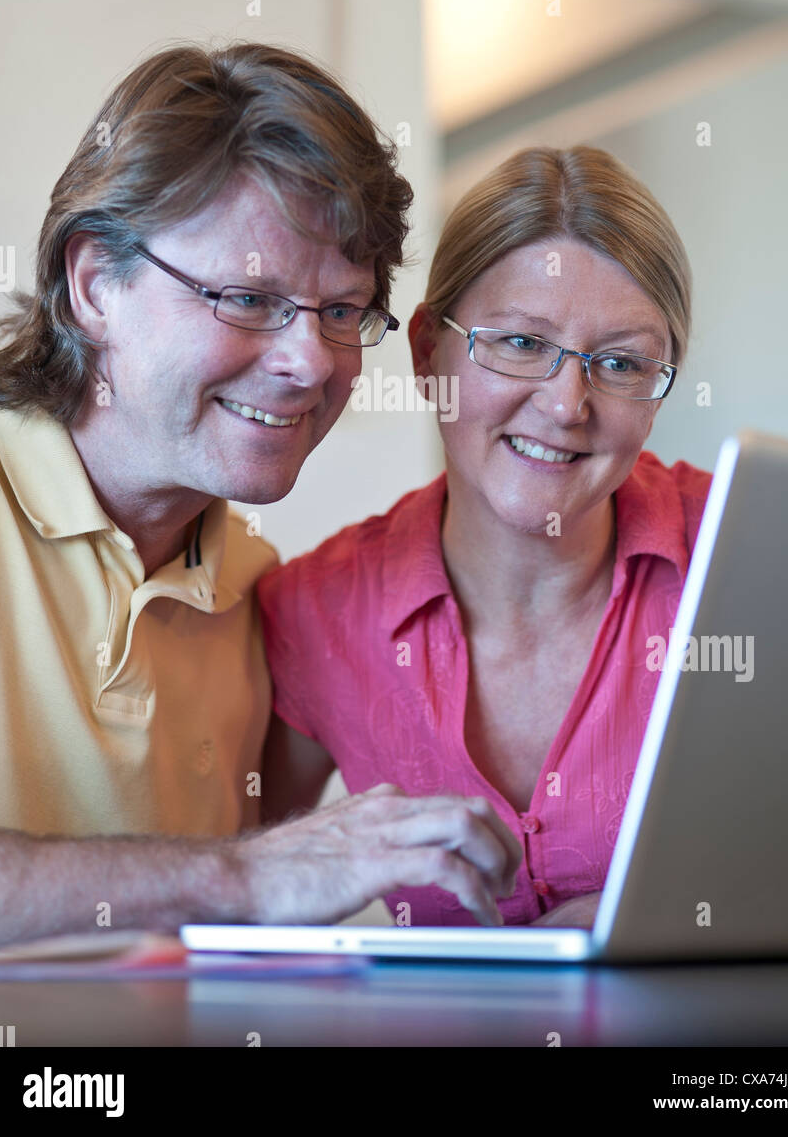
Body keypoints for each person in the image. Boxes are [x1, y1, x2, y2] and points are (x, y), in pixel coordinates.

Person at [0, 41, 521, 948]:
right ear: (95, 284)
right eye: (248, 298)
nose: (311, 362)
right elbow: (245, 886)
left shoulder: (259, 590)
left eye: (342, 311)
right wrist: (242, 876)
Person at [258, 145, 712, 928]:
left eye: (619, 363)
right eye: (520, 344)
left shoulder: (749, 553)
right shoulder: (314, 609)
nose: (567, 405)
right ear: (426, 349)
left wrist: (642, 917)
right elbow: (240, 902)